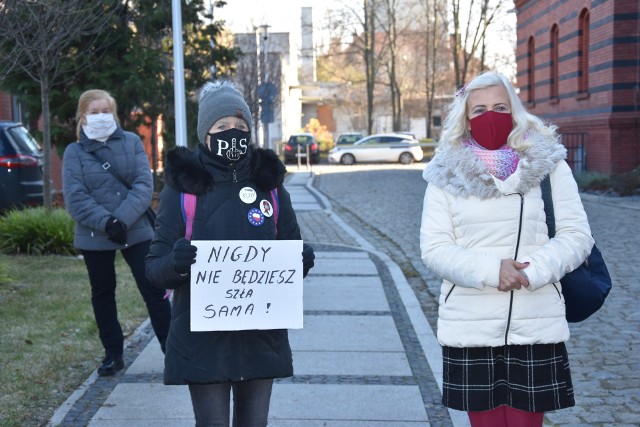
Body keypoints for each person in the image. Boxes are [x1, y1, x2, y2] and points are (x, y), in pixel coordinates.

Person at [419, 71, 594, 427]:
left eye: (500, 106)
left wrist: (532, 271)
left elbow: (577, 235)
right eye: (479, 109)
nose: (491, 117)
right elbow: (435, 248)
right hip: (470, 324)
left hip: (535, 318)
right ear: (466, 119)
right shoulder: (445, 174)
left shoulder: (549, 165)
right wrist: (491, 270)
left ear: (515, 110)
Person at [145, 81, 315, 426]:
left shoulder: (270, 184)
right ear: (205, 132)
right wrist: (177, 264)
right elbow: (155, 267)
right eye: (222, 127)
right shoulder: (183, 188)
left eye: (240, 127)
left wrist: (301, 261)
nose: (232, 134)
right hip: (203, 340)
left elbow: (289, 249)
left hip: (260, 336)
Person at [62, 89, 171, 376]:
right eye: (94, 112)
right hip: (95, 233)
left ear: (114, 113)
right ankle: (113, 353)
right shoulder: (74, 152)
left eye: (105, 111)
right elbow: (75, 197)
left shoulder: (132, 142)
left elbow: (143, 185)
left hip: (135, 228)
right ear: (82, 116)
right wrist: (107, 222)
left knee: (154, 289)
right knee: (103, 293)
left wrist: (121, 219)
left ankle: (173, 351)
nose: (100, 117)